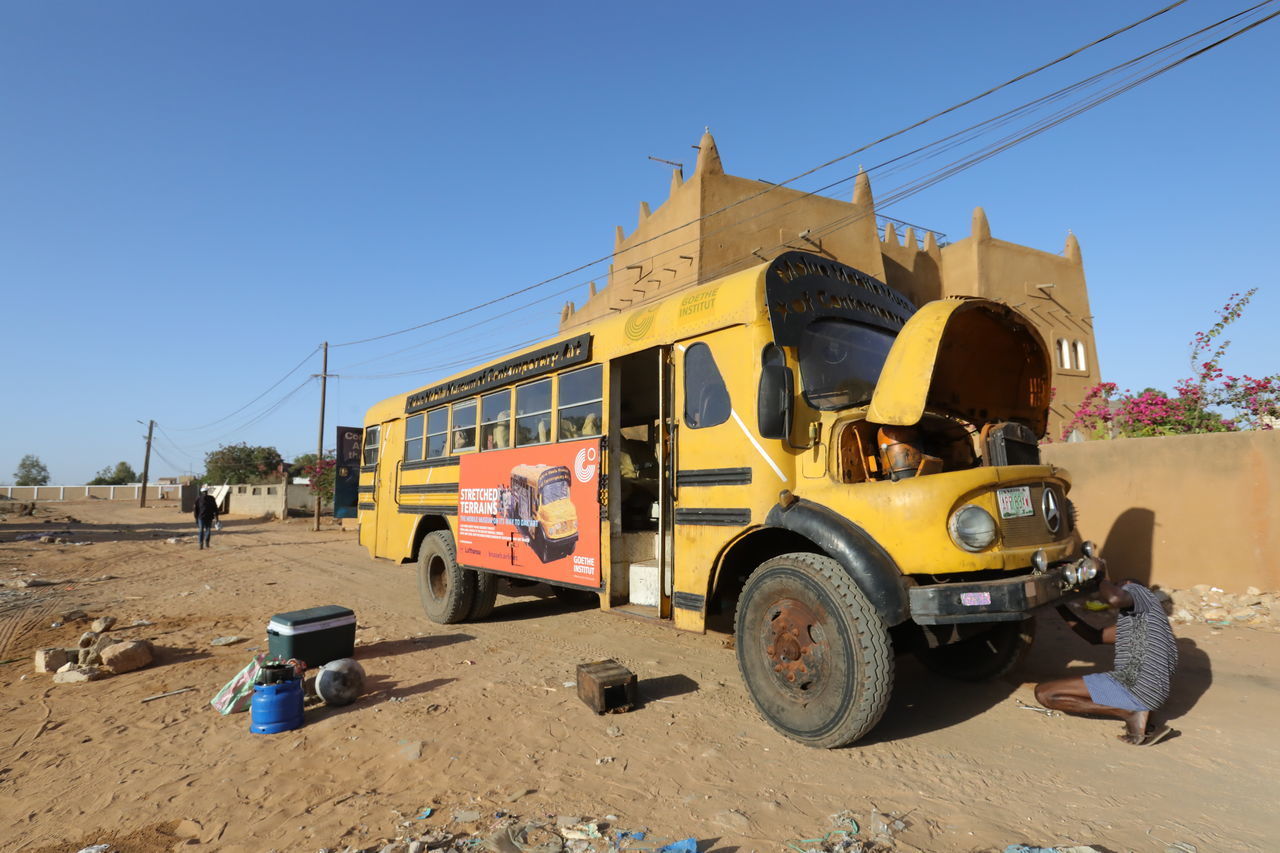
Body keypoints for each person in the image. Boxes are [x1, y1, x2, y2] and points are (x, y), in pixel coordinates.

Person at [1035, 577, 1179, 746]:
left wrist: (1098, 577)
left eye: (1117, 584)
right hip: (1152, 694)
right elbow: (1093, 637)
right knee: (1049, 693)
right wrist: (1058, 605)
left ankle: (1130, 712)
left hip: (1134, 685)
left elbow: (1115, 598)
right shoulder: (1142, 621)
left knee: (1045, 694)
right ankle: (1137, 711)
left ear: (1126, 585)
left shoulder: (1141, 592)